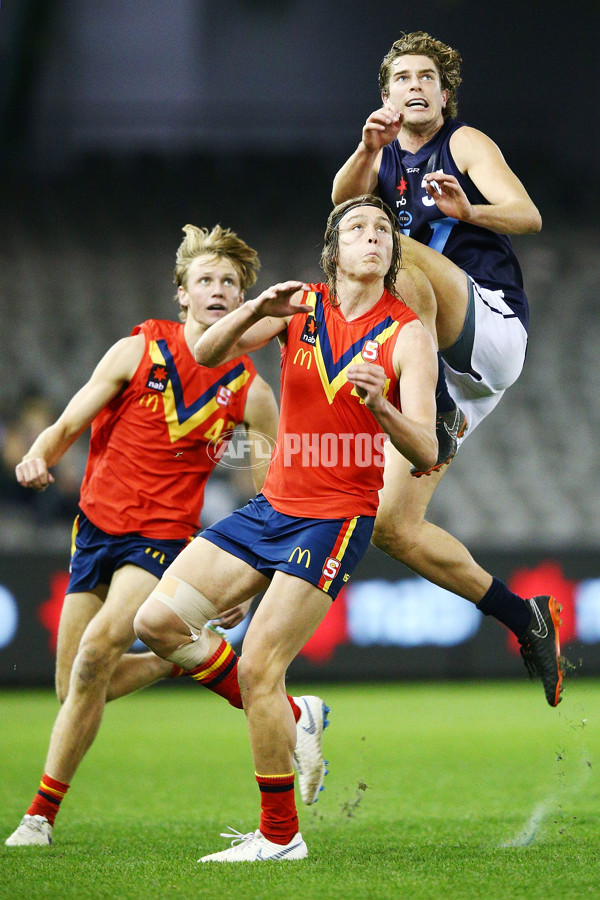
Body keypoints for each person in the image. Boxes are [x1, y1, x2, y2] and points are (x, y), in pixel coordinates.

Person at [132, 196, 439, 862]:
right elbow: (204, 353)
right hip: (272, 509)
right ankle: (297, 717)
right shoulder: (298, 307)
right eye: (357, 228)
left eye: (383, 230)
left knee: (258, 668)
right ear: (334, 251)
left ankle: (280, 837)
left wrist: (381, 404)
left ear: (390, 252)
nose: (373, 238)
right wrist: (253, 308)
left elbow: (426, 450)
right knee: (156, 623)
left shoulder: (408, 334)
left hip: (336, 517)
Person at [5, 223, 326, 849]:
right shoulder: (139, 352)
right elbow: (71, 417)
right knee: (74, 679)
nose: (216, 290)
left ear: (244, 301)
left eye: (229, 283)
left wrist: (253, 577)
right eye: (204, 280)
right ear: (181, 293)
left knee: (98, 652)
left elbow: (272, 498)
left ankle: (37, 819)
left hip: (161, 542)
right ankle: (193, 660)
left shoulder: (252, 393)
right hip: (95, 530)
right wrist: (40, 453)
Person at [331, 31, 563, 707]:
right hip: (444, 366)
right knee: (392, 527)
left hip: (490, 328)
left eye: (427, 76)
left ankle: (432, 408)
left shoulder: (463, 145)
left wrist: (470, 210)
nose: (415, 85)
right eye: (402, 76)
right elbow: (341, 204)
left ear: (444, 91)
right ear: (385, 94)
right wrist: (368, 148)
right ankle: (525, 617)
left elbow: (528, 214)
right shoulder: (377, 156)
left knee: (384, 243)